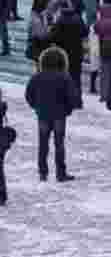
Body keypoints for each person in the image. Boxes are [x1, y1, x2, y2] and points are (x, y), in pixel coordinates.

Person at [25, 46, 80, 182]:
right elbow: (72, 97)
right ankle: (60, 173)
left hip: (43, 113)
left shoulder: (37, 76)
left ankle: (43, 173)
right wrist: (68, 110)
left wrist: (36, 107)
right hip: (59, 114)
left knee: (43, 144)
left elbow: (29, 95)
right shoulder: (64, 77)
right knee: (59, 144)